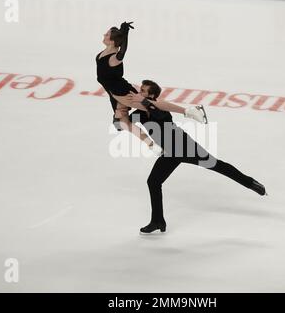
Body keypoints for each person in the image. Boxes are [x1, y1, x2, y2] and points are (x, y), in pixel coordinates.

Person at [127, 80, 267, 234]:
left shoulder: (160, 107)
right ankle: (158, 221)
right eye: (140, 90)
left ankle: (250, 182)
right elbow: (123, 123)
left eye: (143, 91)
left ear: (152, 95)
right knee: (153, 181)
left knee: (216, 165)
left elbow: (156, 112)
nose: (139, 93)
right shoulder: (139, 113)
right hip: (170, 153)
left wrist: (141, 103)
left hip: (184, 146)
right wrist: (119, 111)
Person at [96, 21, 207, 150]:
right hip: (113, 93)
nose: (104, 34)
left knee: (150, 104)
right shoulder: (103, 53)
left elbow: (122, 51)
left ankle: (189, 111)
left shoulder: (114, 58)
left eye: (107, 34)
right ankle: (153, 145)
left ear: (112, 41)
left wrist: (125, 33)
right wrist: (122, 32)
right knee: (122, 123)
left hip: (122, 92)